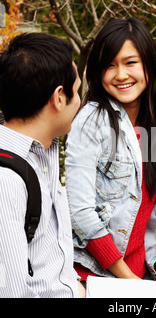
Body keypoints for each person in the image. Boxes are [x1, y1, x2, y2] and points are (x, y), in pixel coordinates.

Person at [65, 17, 156, 298]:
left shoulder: (149, 130)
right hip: (96, 276)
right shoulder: (92, 121)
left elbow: (147, 219)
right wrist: (137, 287)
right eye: (109, 65)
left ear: (149, 64)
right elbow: (81, 215)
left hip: (141, 275)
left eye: (130, 63)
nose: (120, 74)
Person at [0, 33, 85, 297]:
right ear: (59, 97)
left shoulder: (44, 151)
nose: (80, 101)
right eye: (78, 90)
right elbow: (12, 292)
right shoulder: (7, 180)